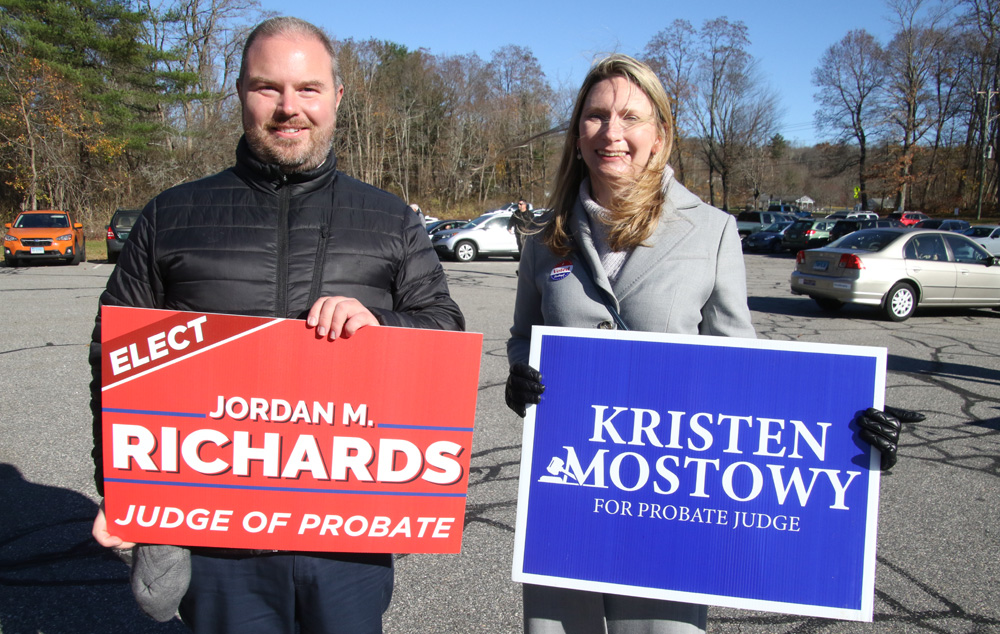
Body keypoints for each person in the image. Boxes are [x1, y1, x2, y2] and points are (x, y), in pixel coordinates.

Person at [503, 54, 906, 634]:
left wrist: (849, 428)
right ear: (577, 132)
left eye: (629, 117)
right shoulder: (548, 237)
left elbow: (742, 369)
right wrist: (523, 379)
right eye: (594, 117)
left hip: (675, 502)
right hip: (571, 494)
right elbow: (522, 338)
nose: (611, 133)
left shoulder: (712, 230)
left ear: (660, 135)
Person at [88, 16, 464, 634]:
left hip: (346, 536)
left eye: (308, 89)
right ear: (239, 93)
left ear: (337, 97)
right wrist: (122, 486)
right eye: (268, 88)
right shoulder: (171, 216)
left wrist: (382, 323)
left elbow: (445, 330)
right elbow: (112, 354)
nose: (289, 108)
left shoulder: (392, 219)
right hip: (216, 541)